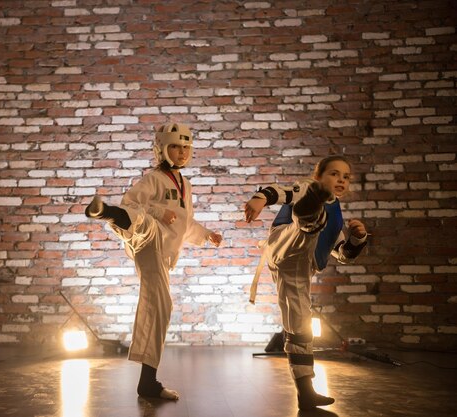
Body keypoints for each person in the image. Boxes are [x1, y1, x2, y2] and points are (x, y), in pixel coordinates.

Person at [85, 122, 222, 400]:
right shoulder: (153, 179)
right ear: (162, 149)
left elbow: (185, 223)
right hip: (147, 240)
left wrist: (207, 235)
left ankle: (147, 382)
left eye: (186, 147)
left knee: (160, 306)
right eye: (175, 147)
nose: (182, 152)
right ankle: (107, 213)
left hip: (164, 251)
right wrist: (158, 211)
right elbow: (132, 203)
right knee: (146, 224)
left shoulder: (185, 184)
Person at [244, 155, 368, 411]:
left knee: (300, 325)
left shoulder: (336, 219)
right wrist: (260, 198)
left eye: (345, 176)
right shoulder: (304, 187)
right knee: (305, 221)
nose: (341, 179)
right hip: (283, 244)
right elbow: (283, 192)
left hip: (301, 267)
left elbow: (342, 255)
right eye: (334, 174)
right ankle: (307, 216)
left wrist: (358, 239)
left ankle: (306, 393)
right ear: (318, 176)